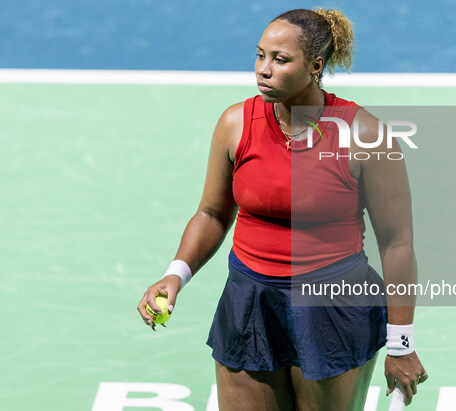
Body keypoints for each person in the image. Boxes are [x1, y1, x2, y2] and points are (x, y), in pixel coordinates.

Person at [138, 8, 427, 411]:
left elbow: (397, 243)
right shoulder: (236, 123)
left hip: (333, 306)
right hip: (249, 301)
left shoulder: (364, 135)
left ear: (315, 66)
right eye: (260, 56)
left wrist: (402, 343)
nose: (263, 70)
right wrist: (175, 275)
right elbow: (211, 214)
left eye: (280, 59)